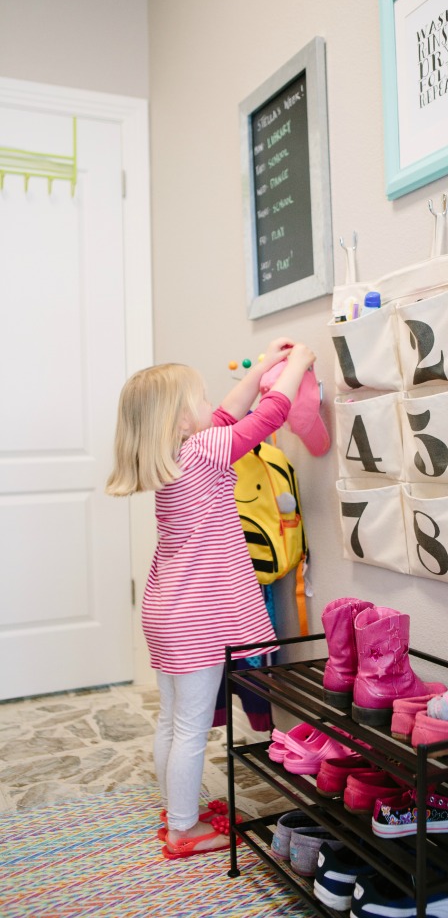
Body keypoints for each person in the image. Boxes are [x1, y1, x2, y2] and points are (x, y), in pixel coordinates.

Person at [105, 338, 316, 858]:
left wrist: (265, 365)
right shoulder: (204, 450)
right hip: (196, 616)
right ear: (180, 421)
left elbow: (226, 412)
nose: (210, 407)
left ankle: (176, 809)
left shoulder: (175, 458)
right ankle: (183, 830)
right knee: (192, 728)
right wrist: (299, 365)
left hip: (167, 610)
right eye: (197, 401)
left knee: (171, 719)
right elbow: (267, 416)